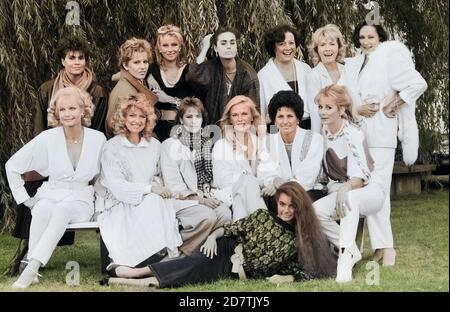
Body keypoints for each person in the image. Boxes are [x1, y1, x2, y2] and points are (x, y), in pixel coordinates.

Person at [120, 181, 337, 288]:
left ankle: (138, 281)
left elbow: (313, 271)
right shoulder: (263, 216)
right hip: (225, 248)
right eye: (282, 204)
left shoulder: (299, 241)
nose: (286, 210)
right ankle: (135, 273)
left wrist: (288, 277)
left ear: (301, 208)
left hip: (234, 272)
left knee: (192, 276)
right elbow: (230, 228)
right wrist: (213, 237)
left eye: (292, 206)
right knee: (192, 264)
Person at [11, 36, 108, 270]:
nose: (76, 62)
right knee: (41, 206)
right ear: (62, 61)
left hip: (83, 159)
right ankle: (29, 259)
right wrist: (48, 154)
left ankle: (32, 263)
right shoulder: (47, 88)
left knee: (62, 208)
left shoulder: (96, 90)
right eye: (71, 57)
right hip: (54, 154)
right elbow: (39, 126)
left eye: (80, 57)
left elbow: (99, 124)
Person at [344, 21, 428, 266]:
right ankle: (379, 246)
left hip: (382, 131)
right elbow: (348, 94)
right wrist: (356, 108)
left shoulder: (389, 59)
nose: (366, 41)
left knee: (379, 189)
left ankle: (387, 248)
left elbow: (418, 84)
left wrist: (395, 102)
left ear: (380, 38)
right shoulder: (356, 63)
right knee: (365, 187)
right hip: (360, 132)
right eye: (362, 37)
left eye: (371, 36)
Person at [5, 87, 106, 289]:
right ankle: (31, 267)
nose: (67, 113)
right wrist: (26, 199)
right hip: (51, 192)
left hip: (81, 199)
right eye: (63, 109)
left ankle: (31, 268)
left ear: (83, 110)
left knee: (62, 209)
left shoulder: (98, 139)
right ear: (56, 113)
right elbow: (12, 165)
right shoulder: (48, 138)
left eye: (72, 108)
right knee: (42, 208)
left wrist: (100, 208)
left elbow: (102, 179)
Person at [96, 94, 183, 276]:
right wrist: (148, 189)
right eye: (132, 116)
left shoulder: (154, 145)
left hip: (150, 197)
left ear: (148, 120)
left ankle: (160, 258)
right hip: (120, 201)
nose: (137, 121)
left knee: (159, 202)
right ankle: (136, 265)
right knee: (153, 202)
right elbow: (116, 185)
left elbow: (160, 175)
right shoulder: (112, 147)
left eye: (141, 117)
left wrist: (155, 187)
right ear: (123, 118)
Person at [312, 84, 386, 283]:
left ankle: (344, 263)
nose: (323, 112)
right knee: (316, 211)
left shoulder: (352, 133)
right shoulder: (324, 133)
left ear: (342, 109)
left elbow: (361, 177)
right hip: (345, 189)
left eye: (329, 107)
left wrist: (344, 187)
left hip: (370, 191)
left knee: (349, 199)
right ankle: (351, 249)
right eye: (320, 106)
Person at [161, 97, 232, 233]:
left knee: (225, 213)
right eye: (189, 117)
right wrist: (201, 200)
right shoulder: (170, 145)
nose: (194, 121)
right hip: (183, 199)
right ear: (181, 120)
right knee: (208, 216)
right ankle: (185, 247)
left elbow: (213, 176)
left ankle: (210, 242)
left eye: (197, 116)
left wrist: (210, 196)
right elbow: (174, 186)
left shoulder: (207, 143)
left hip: (207, 194)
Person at [212, 95, 277, 221]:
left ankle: (246, 236)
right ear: (230, 119)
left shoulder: (260, 142)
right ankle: (265, 227)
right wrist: (255, 182)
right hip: (229, 194)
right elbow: (223, 181)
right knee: (246, 184)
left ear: (252, 117)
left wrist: (269, 182)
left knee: (241, 201)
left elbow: (269, 169)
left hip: (252, 197)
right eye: (235, 115)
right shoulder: (221, 146)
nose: (240, 119)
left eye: (244, 114)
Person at [186, 27, 260, 125]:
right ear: (216, 48)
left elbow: (252, 108)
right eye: (223, 43)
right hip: (212, 127)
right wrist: (204, 48)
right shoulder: (211, 67)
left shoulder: (247, 73)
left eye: (232, 43)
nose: (228, 46)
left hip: (239, 127)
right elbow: (193, 75)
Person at [265, 90, 325, 204]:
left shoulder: (314, 139)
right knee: (274, 201)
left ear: (298, 119)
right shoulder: (269, 142)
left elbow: (308, 176)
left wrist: (281, 184)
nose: (285, 121)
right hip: (280, 194)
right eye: (280, 117)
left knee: (296, 203)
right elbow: (265, 172)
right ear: (275, 121)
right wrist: (274, 180)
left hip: (309, 191)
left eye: (290, 116)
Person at [147, 24, 197, 142]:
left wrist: (170, 99)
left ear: (180, 46)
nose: (170, 50)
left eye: (174, 44)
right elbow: (124, 73)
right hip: (155, 133)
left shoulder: (190, 71)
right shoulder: (150, 70)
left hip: (184, 132)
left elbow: (197, 108)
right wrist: (149, 76)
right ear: (159, 48)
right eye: (165, 45)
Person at [258, 24, 311, 129]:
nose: (288, 48)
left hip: (306, 127)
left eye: (291, 43)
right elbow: (261, 115)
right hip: (277, 128)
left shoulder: (306, 69)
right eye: (282, 44)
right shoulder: (263, 75)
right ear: (273, 47)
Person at [106, 38, 157, 138]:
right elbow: (114, 126)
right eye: (136, 62)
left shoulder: (138, 82)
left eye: (145, 61)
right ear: (125, 65)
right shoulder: (125, 91)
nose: (143, 67)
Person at [306, 24, 347, 133]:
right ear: (317, 49)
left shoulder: (347, 70)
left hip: (350, 130)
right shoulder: (314, 75)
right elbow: (315, 112)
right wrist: (317, 140)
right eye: (323, 45)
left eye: (332, 44)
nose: (328, 49)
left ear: (338, 47)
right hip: (328, 132)